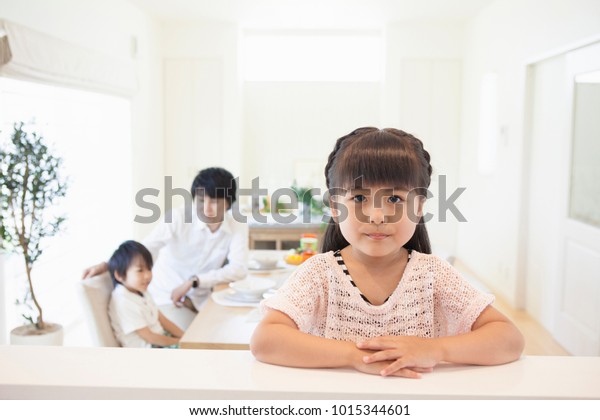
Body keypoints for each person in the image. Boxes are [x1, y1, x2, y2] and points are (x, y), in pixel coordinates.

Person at [250, 127, 524, 378]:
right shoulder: (320, 273)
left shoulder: (432, 274)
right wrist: (353, 356)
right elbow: (265, 340)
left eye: (394, 199)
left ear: (418, 207)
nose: (377, 215)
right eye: (358, 198)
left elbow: (509, 339)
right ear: (335, 207)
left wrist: (437, 350)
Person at [83, 167, 249, 330]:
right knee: (200, 339)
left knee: (234, 329)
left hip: (202, 298)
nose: (206, 208)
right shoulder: (177, 218)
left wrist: (195, 281)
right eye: (200, 200)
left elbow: (239, 269)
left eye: (214, 201)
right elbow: (146, 249)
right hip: (167, 299)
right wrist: (107, 264)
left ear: (228, 203)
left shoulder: (237, 225)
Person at [107, 240, 183, 348]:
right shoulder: (123, 302)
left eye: (149, 269)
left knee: (195, 344)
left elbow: (162, 319)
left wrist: (185, 337)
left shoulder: (141, 291)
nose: (147, 275)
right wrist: (179, 342)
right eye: (140, 270)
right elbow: (149, 337)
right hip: (148, 349)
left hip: (159, 338)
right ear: (119, 275)